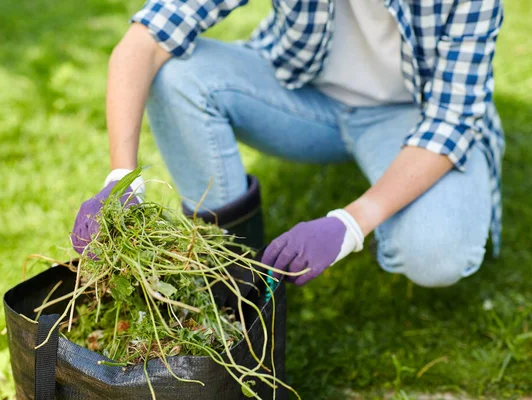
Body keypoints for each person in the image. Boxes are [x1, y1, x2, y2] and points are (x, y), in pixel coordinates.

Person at [72, 0, 505, 288]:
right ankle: (228, 273)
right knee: (177, 76)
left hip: (412, 116)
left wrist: (349, 225)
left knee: (436, 254)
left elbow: (452, 119)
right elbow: (146, 39)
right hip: (302, 96)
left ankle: (387, 212)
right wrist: (120, 178)